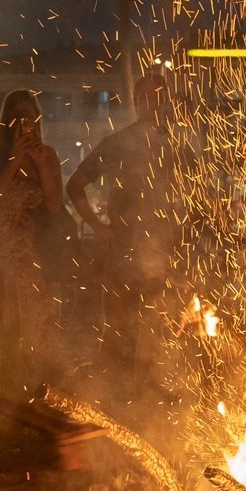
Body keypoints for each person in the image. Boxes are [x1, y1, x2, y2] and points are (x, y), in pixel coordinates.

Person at [65, 75, 178, 385]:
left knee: (154, 332)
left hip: (160, 253)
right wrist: (99, 228)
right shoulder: (117, 144)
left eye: (156, 97)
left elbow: (194, 199)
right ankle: (111, 400)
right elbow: (74, 185)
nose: (150, 104)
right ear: (136, 102)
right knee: (116, 330)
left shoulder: (174, 147)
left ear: (165, 102)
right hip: (122, 253)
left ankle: (146, 402)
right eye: (143, 98)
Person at [0, 89, 66, 386]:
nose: (25, 122)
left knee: (39, 323)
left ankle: (36, 385)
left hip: (34, 251)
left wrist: (38, 163)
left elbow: (54, 205)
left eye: (30, 116)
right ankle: (1, 385)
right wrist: (13, 161)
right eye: (18, 117)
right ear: (7, 122)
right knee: (3, 320)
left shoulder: (48, 155)